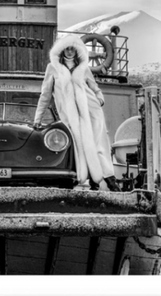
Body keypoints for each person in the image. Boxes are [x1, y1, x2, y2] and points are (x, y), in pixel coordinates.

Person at [33, 35, 116, 191]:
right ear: (62, 49)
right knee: (77, 145)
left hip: (91, 111)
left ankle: (109, 180)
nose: (70, 52)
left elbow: (94, 87)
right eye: (67, 48)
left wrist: (99, 99)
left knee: (97, 144)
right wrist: (38, 117)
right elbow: (45, 95)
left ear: (77, 50)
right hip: (69, 115)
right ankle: (85, 178)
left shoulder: (83, 68)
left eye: (73, 48)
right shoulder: (53, 68)